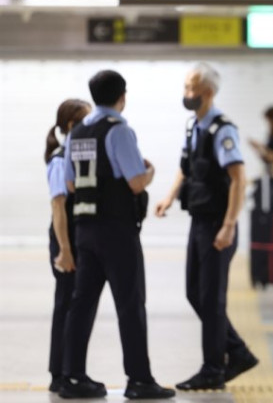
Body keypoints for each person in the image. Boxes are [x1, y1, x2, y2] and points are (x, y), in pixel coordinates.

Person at [60, 70, 174, 400]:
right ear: (122, 96)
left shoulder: (77, 132)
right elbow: (136, 182)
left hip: (85, 230)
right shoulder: (119, 130)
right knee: (130, 304)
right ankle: (139, 380)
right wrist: (150, 170)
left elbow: (70, 184)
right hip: (117, 232)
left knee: (81, 305)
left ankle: (73, 378)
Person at [154, 63, 258, 390]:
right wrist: (169, 197)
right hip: (199, 221)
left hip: (217, 224)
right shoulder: (193, 126)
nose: (186, 94)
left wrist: (229, 225)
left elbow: (239, 179)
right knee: (195, 292)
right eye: (185, 86)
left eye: (191, 88)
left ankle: (213, 369)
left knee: (211, 299)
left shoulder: (222, 130)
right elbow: (186, 168)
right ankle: (237, 352)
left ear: (208, 92)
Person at [44, 98, 91, 393]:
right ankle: (59, 374)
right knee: (65, 304)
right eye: (86, 121)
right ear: (72, 125)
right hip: (66, 238)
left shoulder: (73, 155)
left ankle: (69, 370)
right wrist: (65, 249)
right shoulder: (60, 160)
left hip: (74, 237)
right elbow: (58, 207)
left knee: (74, 305)